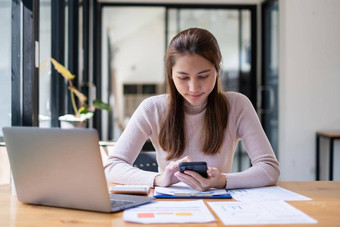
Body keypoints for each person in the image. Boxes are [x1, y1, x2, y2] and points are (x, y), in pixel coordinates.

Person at [104, 27, 280, 191]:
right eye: (183, 77)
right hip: (168, 206)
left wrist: (222, 180)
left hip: (219, 205)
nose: (194, 87)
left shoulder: (237, 105)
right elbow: (113, 166)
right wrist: (159, 179)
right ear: (171, 76)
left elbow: (269, 168)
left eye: (203, 76)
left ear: (217, 71)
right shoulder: (152, 108)